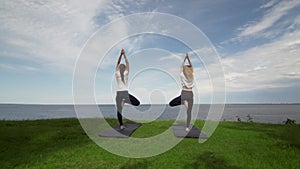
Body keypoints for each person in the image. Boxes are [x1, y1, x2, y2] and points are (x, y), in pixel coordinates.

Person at [169, 52, 194, 132]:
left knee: (171, 103)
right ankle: (187, 127)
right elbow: (191, 66)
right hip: (190, 94)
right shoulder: (192, 75)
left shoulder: (182, 75)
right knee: (189, 112)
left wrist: (184, 58)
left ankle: (183, 102)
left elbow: (181, 66)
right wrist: (188, 58)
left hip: (184, 94)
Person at [115, 48, 140, 130]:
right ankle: (121, 125)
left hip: (120, 94)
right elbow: (127, 63)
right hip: (124, 93)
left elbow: (118, 63)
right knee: (137, 103)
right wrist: (124, 54)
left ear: (119, 68)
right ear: (125, 68)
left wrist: (120, 55)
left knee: (119, 110)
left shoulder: (117, 73)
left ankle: (121, 125)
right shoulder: (126, 73)